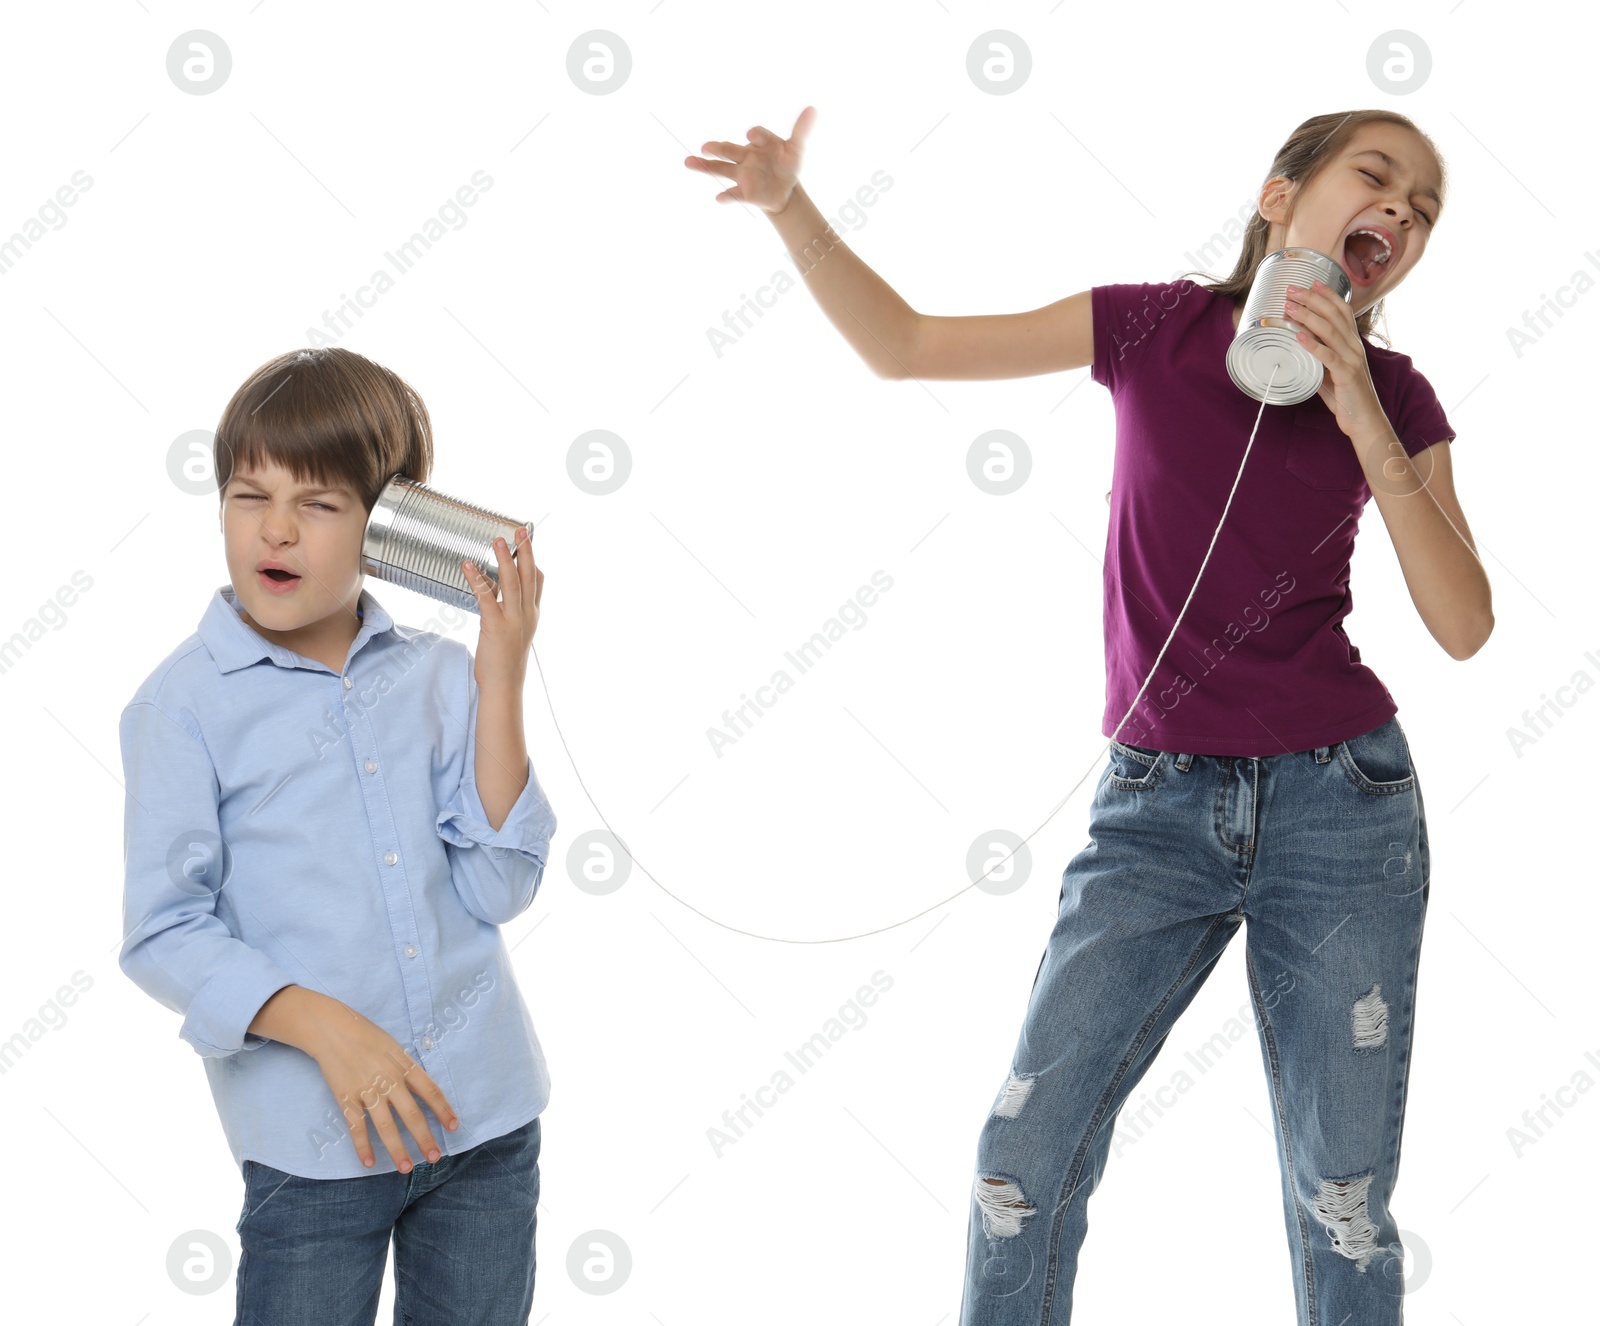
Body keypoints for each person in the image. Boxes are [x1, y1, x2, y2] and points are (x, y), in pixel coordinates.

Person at [686, 108, 1492, 1325]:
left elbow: (1465, 622)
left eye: (1423, 208)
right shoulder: (1151, 328)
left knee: (1341, 1197)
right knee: (1021, 1165)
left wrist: (1364, 422)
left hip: (1343, 808)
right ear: (1279, 197)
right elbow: (904, 344)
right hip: (1154, 809)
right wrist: (793, 207)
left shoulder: (1396, 396)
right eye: (1375, 178)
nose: (1402, 209)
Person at [117, 346, 556, 1326]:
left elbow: (499, 888)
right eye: (247, 494)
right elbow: (163, 931)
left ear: (391, 527)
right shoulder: (184, 705)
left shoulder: (443, 680)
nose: (275, 529)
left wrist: (500, 677)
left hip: (482, 1122)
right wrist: (324, 1025)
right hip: (313, 1151)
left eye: (318, 504)